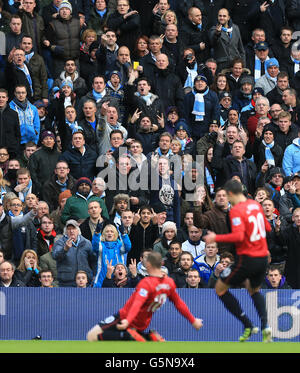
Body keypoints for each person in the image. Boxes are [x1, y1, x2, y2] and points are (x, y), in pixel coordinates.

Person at [204, 179, 272, 342]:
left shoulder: (236, 210)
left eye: (227, 196)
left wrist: (215, 237)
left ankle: (247, 324)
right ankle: (265, 327)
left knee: (220, 288)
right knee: (254, 290)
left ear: (232, 194)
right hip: (262, 258)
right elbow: (267, 228)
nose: (227, 199)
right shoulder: (256, 205)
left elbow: (239, 236)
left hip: (247, 258)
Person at [86, 251, 203, 342]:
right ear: (161, 264)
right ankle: (147, 337)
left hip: (125, 317)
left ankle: (130, 335)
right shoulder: (169, 283)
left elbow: (137, 303)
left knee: (91, 336)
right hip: (143, 323)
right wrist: (193, 321)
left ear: (148, 265)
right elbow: (179, 304)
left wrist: (128, 321)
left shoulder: (147, 283)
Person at [52, 219, 97, 287]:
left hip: (84, 282)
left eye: (74, 228)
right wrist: (65, 249)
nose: (71, 231)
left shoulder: (87, 243)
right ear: (65, 231)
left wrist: (94, 275)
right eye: (69, 229)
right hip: (66, 282)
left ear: (78, 230)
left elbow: (93, 261)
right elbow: (55, 256)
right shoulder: (60, 242)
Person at [92, 222, 131, 288]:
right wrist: (97, 233)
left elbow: (128, 247)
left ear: (115, 234)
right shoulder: (101, 246)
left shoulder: (120, 245)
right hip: (101, 280)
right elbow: (95, 246)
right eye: (107, 231)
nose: (109, 233)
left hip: (118, 281)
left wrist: (124, 234)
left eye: (112, 231)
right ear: (104, 234)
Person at [0, 89, 21, 158]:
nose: (1, 99)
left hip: (11, 151)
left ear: (7, 98)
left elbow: (17, 134)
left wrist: (15, 148)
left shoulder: (14, 114)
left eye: (3, 97)